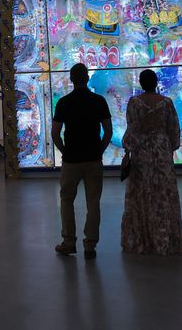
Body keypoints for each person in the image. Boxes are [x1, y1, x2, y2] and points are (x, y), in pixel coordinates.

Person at [121, 69, 182, 255]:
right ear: (156, 82)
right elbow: (174, 130)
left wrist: (128, 147)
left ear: (141, 84)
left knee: (143, 194)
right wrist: (169, 146)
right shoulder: (166, 103)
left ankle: (144, 239)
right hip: (161, 151)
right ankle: (166, 239)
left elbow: (131, 130)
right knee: (163, 194)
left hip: (142, 153)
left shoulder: (134, 103)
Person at [51, 63, 111, 259]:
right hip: (93, 159)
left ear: (71, 79)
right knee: (93, 202)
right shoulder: (99, 101)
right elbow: (108, 131)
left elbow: (55, 133)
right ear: (87, 78)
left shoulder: (63, 102)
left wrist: (64, 151)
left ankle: (69, 242)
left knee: (66, 200)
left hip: (71, 160)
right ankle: (90, 245)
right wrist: (99, 151)